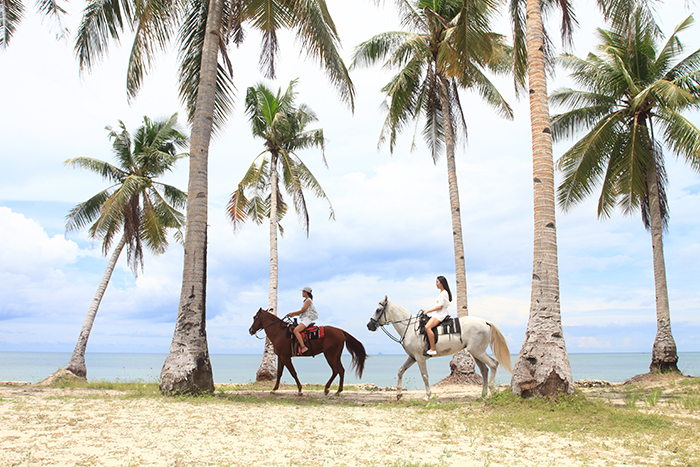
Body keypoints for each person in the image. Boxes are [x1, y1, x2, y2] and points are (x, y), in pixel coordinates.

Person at [421, 276, 452, 356]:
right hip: (438, 313)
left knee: (428, 327)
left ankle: (432, 349)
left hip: (440, 314)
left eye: (437, 282)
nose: (436, 284)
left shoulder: (444, 293)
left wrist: (428, 310)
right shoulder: (442, 293)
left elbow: (440, 307)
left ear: (441, 283)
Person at [287, 286, 319, 354]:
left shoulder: (308, 300)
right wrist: (294, 315)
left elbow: (303, 310)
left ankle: (303, 347)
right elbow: (303, 312)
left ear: (306, 292)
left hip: (307, 320)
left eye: (303, 292)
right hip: (305, 319)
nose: (302, 293)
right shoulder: (306, 301)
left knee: (296, 330)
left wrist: (292, 313)